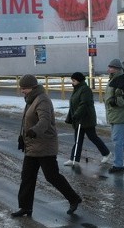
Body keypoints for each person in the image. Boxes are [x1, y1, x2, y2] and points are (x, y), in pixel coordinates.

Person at [12, 74, 83, 217]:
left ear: (32, 87)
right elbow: (27, 120)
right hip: (32, 146)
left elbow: (45, 121)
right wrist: (23, 136)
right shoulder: (31, 99)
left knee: (52, 176)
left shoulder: (42, 100)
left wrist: (34, 131)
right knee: (27, 177)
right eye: (21, 88)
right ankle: (25, 207)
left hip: (45, 145)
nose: (22, 91)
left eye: (24, 88)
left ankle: (74, 198)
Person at [63, 71, 111, 167]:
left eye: (73, 80)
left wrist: (77, 114)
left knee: (92, 137)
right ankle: (74, 159)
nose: (72, 82)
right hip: (78, 119)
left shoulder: (85, 90)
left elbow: (84, 104)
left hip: (86, 119)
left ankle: (106, 153)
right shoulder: (77, 89)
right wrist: (72, 116)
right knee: (78, 140)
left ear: (79, 81)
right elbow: (74, 104)